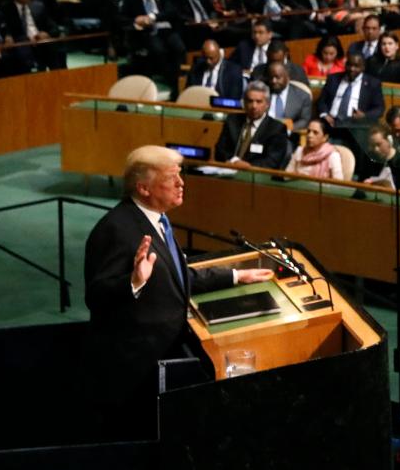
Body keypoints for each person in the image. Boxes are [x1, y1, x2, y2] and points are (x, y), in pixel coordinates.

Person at [83, 146, 272, 436]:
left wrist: (237, 275)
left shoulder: (157, 220)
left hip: (165, 351)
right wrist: (133, 282)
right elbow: (96, 297)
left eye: (180, 175)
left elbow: (177, 277)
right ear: (144, 188)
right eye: (172, 178)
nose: (182, 183)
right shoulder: (116, 230)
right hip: (135, 371)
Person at [214, 81, 289, 169]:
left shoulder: (277, 129)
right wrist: (234, 161)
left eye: (259, 102)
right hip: (228, 171)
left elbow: (272, 162)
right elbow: (219, 151)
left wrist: (247, 167)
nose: (254, 106)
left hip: (257, 177)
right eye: (250, 101)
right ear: (244, 103)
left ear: (267, 104)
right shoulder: (232, 121)